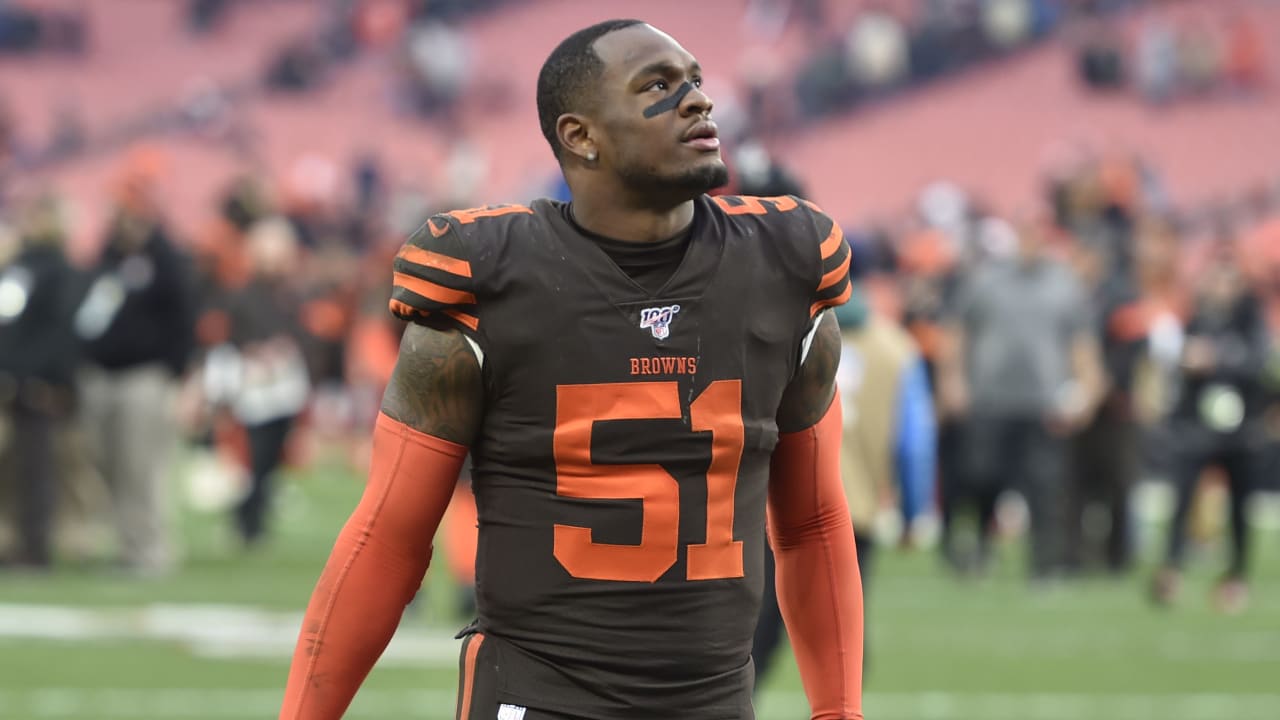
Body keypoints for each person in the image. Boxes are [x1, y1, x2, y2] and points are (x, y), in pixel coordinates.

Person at [281, 19, 864, 720]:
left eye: (696, 82)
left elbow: (814, 525)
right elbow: (387, 539)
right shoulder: (492, 285)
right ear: (580, 135)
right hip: (540, 701)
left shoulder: (783, 268)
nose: (698, 102)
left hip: (714, 704)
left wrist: (839, 712)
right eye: (658, 86)